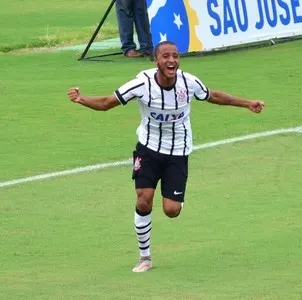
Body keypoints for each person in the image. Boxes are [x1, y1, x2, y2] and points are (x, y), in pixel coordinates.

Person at [67, 41, 265, 273]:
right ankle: (145, 257)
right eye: (166, 57)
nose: (171, 61)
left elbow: (213, 96)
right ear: (156, 61)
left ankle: (174, 196)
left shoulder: (189, 82)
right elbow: (106, 103)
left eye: (175, 56)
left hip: (178, 152)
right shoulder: (142, 83)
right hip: (148, 149)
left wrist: (247, 103)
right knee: (144, 199)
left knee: (172, 210)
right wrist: (82, 99)